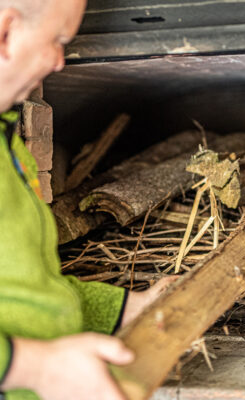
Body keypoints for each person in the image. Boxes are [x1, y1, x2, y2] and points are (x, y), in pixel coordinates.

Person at [0, 1, 176, 399]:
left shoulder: (11, 148)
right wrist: (39, 368)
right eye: (58, 40)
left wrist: (130, 309)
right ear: (6, 32)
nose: (61, 61)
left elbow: (27, 290)